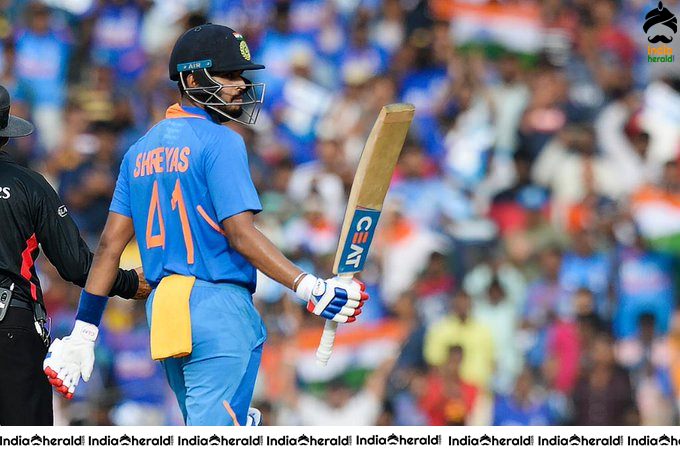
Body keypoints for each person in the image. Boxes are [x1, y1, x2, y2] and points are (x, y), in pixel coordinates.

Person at [44, 24, 368, 426]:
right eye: (229, 75)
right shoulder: (222, 141)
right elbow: (240, 233)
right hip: (217, 306)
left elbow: (109, 246)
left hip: (165, 311)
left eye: (241, 76)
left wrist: (84, 331)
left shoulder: (138, 151)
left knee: (216, 429)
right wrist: (311, 287)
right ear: (192, 79)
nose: (239, 86)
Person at [0, 85, 149, 426]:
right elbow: (77, 266)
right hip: (10, 327)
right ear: (6, 133)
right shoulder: (30, 185)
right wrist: (129, 282)